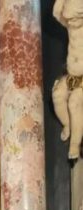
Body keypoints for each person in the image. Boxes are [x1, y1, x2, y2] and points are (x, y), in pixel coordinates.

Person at [52, 0, 83, 159]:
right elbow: (56, 13)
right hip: (72, 76)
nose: (69, 22)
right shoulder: (71, 24)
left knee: (74, 103)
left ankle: (74, 146)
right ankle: (68, 125)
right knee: (57, 94)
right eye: (68, 19)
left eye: (73, 19)